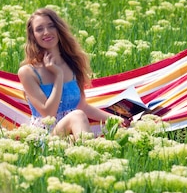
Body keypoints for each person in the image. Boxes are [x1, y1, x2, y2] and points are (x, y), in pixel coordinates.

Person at [18, 8, 124, 138]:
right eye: (39, 29)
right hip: (46, 136)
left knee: (124, 130)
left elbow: (83, 106)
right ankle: (88, 154)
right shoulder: (28, 72)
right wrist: (58, 76)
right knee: (77, 115)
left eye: (51, 26)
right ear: (33, 35)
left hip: (74, 132)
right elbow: (48, 114)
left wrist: (117, 119)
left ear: (58, 29)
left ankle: (85, 151)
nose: (46, 32)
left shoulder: (72, 64)